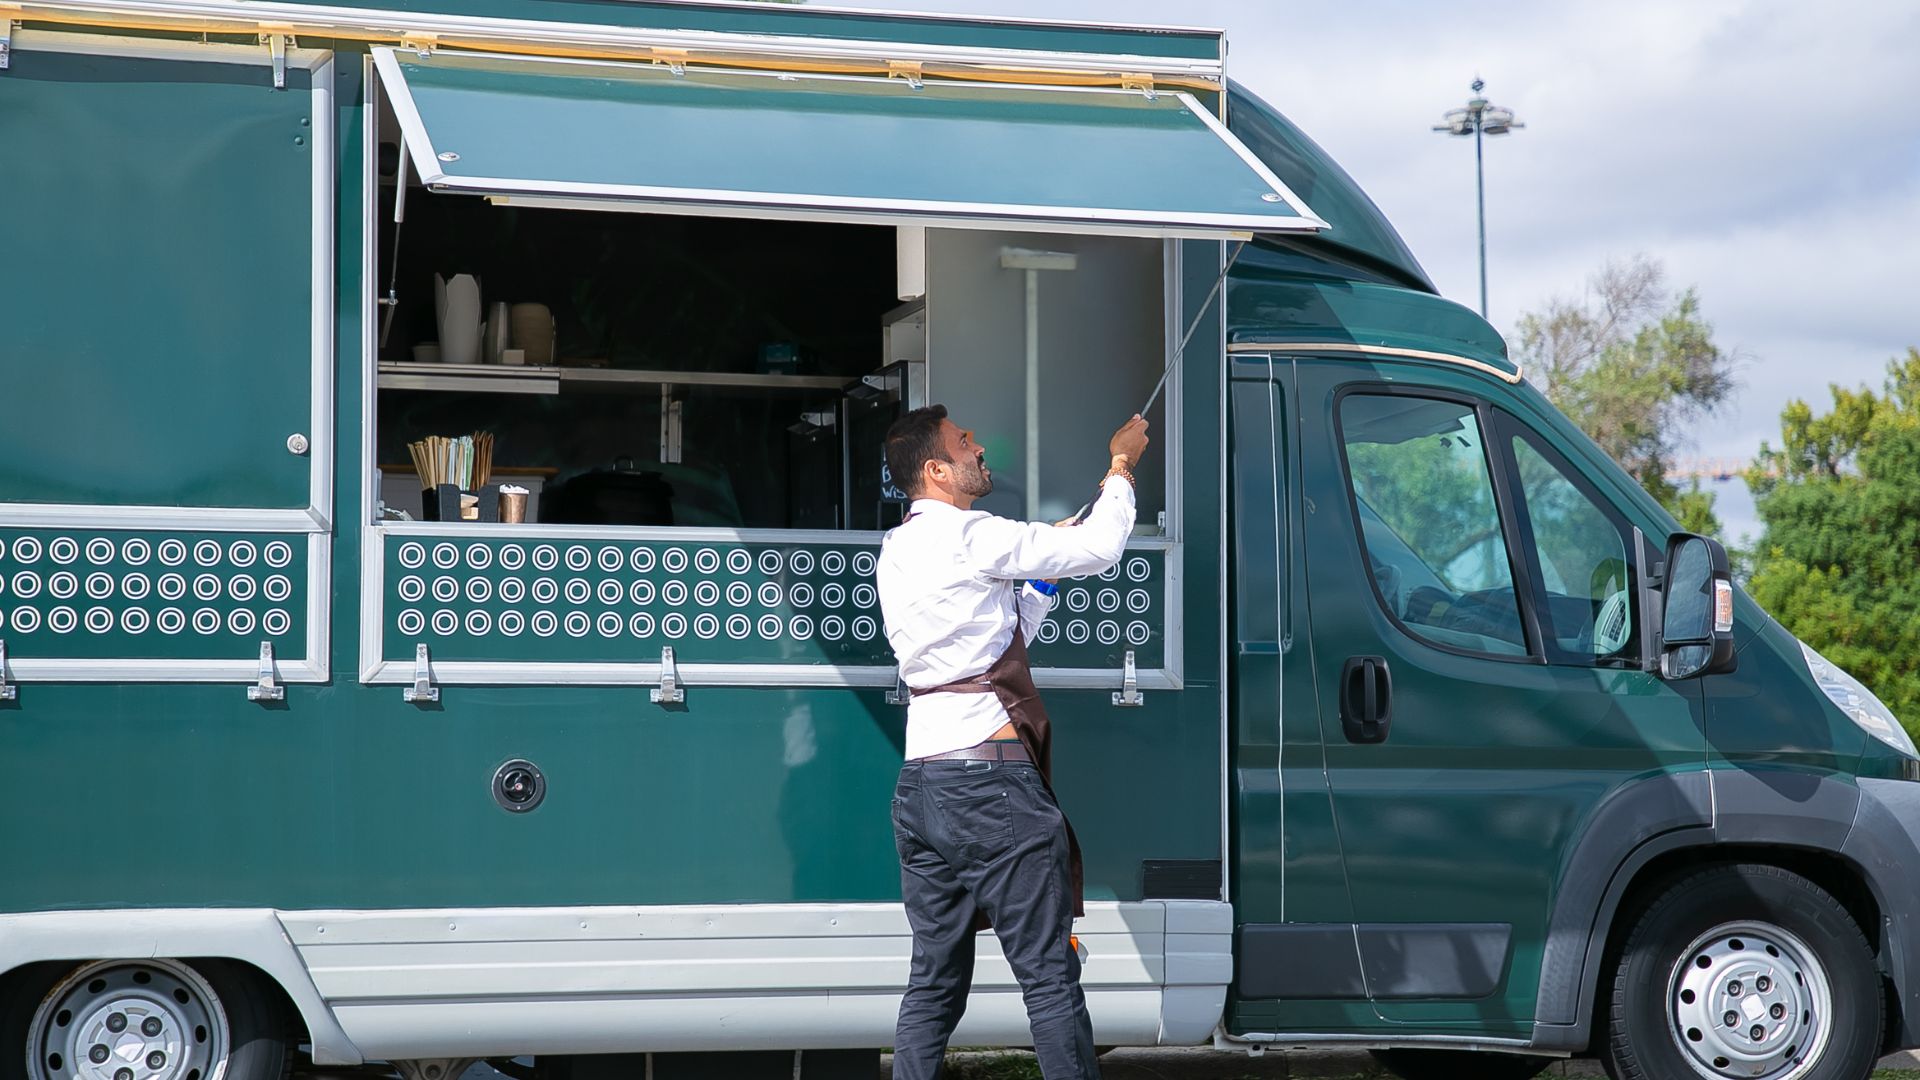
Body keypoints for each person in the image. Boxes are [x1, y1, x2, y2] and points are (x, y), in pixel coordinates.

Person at [876, 404, 1150, 1080]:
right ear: (937, 469)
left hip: (922, 790)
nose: (979, 447)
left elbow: (995, 629)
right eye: (964, 443)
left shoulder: (898, 547)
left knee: (934, 984)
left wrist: (1039, 572)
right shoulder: (974, 534)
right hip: (991, 788)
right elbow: (1101, 549)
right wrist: (1120, 467)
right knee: (1050, 978)